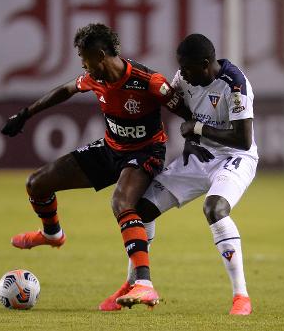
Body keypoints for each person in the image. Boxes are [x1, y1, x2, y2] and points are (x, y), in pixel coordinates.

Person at [0, 23, 195, 310]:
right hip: (110, 148)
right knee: (37, 183)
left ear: (100, 54)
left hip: (146, 153)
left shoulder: (149, 81)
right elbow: (65, 90)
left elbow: (186, 112)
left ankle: (144, 283)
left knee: (121, 202)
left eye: (84, 57)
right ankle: (53, 234)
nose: (82, 65)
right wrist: (25, 114)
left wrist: (203, 137)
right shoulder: (95, 78)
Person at [100, 34, 257, 315]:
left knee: (215, 208)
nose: (181, 73)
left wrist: (197, 130)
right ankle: (134, 284)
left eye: (186, 68)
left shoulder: (235, 84)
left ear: (206, 64)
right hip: (198, 157)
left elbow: (243, 139)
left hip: (235, 157)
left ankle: (241, 297)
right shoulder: (184, 78)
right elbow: (170, 103)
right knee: (141, 210)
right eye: (180, 67)